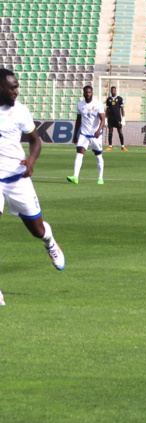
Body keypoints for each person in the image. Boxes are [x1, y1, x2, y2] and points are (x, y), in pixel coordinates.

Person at [0, 69, 66, 305]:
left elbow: (35, 140)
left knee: (37, 229)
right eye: (13, 87)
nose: (17, 91)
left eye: (17, 86)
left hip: (17, 178)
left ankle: (49, 241)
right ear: (0, 88)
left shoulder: (20, 111)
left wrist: (31, 160)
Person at [67, 85, 106, 185]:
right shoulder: (80, 105)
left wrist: (98, 130)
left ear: (92, 93)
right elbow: (78, 120)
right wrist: (75, 134)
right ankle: (75, 177)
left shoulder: (98, 104)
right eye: (86, 92)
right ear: (83, 93)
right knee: (79, 153)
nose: (88, 94)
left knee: (98, 155)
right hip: (84, 133)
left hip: (95, 134)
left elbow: (103, 119)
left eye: (89, 92)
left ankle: (100, 178)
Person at [104, 86, 126, 151]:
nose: (113, 91)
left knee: (120, 132)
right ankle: (110, 146)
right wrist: (105, 119)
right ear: (111, 91)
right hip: (110, 118)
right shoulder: (108, 100)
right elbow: (107, 110)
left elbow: (122, 109)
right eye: (112, 90)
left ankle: (122, 146)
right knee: (110, 132)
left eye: (114, 90)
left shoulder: (119, 99)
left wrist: (123, 118)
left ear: (116, 91)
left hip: (118, 118)